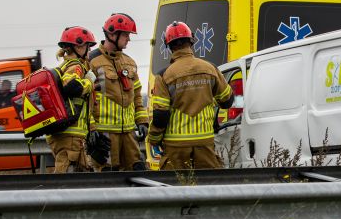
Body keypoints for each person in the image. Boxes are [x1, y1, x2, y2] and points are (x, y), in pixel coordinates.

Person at [147, 21, 234, 170]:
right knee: (209, 182)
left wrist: (154, 139)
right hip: (205, 143)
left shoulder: (164, 75)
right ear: (191, 41)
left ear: (169, 46)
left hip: (176, 146)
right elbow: (227, 101)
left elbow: (161, 115)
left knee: (176, 183)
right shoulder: (210, 68)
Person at [88, 13, 148, 171]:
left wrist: (142, 121)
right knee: (107, 176)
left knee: (137, 172)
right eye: (126, 35)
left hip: (128, 134)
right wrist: (91, 128)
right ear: (113, 34)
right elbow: (85, 100)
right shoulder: (91, 61)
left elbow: (137, 96)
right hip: (105, 134)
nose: (129, 39)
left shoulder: (130, 62)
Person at [47, 26, 97, 173]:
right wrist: (89, 82)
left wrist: (91, 128)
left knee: (81, 174)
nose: (89, 50)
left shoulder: (64, 66)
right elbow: (71, 87)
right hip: (70, 136)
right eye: (88, 46)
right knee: (65, 178)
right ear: (78, 47)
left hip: (68, 134)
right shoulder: (76, 66)